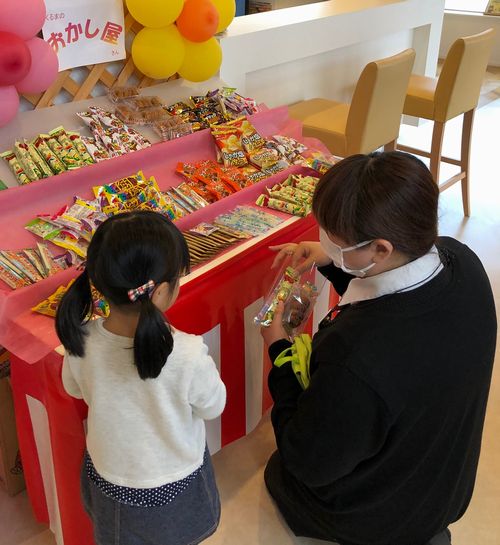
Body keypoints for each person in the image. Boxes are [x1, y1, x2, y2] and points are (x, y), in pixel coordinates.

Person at [261, 151, 497, 545]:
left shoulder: (357, 354)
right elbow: (396, 299)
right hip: (445, 489)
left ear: (382, 249)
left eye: (333, 239)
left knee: (279, 472)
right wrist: (334, 261)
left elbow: (308, 461)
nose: (323, 240)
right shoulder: (464, 261)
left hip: (374, 518)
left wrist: (280, 353)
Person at [56, 211, 226, 545]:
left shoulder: (82, 340)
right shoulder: (188, 353)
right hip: (177, 480)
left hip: (111, 478)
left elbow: (73, 388)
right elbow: (214, 406)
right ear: (161, 291)